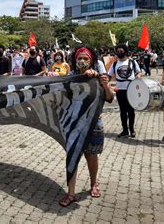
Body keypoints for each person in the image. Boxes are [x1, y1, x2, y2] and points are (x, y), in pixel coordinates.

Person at [59, 46, 114, 207]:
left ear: (91, 61)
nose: (82, 61)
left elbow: (110, 98)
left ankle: (93, 183)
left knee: (92, 156)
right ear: (75, 60)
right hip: (74, 123)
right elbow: (63, 97)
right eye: (79, 58)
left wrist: (104, 84)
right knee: (73, 157)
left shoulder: (98, 77)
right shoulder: (71, 77)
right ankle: (71, 193)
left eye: (86, 58)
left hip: (94, 123)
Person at [108, 44, 142, 138]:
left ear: (125, 51)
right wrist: (105, 83)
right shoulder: (115, 64)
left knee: (131, 111)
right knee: (123, 111)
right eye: (118, 50)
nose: (119, 52)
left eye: (121, 50)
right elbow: (109, 76)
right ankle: (125, 130)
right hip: (120, 90)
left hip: (131, 89)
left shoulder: (132, 62)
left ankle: (132, 130)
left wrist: (138, 76)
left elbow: (138, 72)